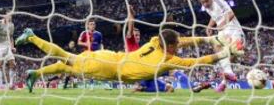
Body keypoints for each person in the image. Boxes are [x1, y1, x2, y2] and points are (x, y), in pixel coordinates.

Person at [15, 27, 243, 93]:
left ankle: (34, 74)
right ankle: (32, 36)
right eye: (176, 46)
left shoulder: (156, 41)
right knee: (66, 58)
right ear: (171, 47)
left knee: (69, 66)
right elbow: (196, 62)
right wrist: (223, 54)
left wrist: (209, 38)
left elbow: (180, 41)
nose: (178, 47)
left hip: (110, 57)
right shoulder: (166, 60)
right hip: (110, 68)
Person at [193, 0, 245, 93]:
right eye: (202, 3)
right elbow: (215, 16)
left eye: (206, 1)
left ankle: (223, 80)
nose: (205, 4)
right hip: (223, 33)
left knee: (228, 55)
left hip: (234, 31)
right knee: (222, 55)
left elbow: (231, 14)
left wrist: (222, 24)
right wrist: (209, 26)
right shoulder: (208, 8)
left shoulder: (219, 2)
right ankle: (224, 83)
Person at [125, 6, 173, 93]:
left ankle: (141, 86)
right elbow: (130, 28)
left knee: (165, 86)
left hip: (145, 72)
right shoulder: (130, 41)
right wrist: (131, 15)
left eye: (138, 35)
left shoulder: (139, 48)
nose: (137, 37)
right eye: (135, 35)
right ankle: (161, 86)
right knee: (148, 78)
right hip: (136, 70)